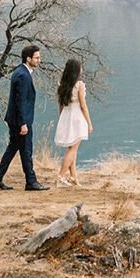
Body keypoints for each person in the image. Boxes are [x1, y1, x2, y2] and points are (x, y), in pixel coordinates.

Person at [0, 45, 50, 191]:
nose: (39, 60)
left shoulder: (21, 72)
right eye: (37, 57)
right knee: (26, 150)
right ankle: (31, 182)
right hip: (20, 121)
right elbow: (20, 101)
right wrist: (23, 123)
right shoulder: (22, 75)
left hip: (15, 120)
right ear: (28, 58)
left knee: (14, 148)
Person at [53, 58, 93, 187]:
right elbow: (83, 106)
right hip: (76, 117)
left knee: (72, 148)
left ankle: (73, 176)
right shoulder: (79, 85)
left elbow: (61, 103)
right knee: (73, 148)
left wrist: (61, 118)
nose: (82, 69)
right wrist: (89, 122)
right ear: (77, 70)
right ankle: (60, 176)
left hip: (66, 115)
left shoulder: (62, 84)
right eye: (80, 67)